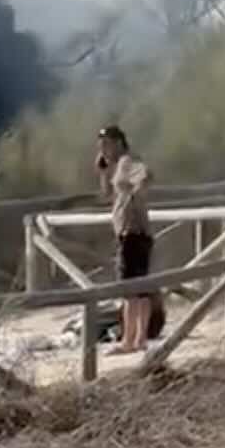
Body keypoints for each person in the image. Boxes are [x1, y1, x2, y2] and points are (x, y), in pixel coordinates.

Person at [95, 124, 159, 352]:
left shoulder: (128, 162)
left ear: (118, 143)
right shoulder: (119, 166)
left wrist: (134, 197)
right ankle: (138, 339)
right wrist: (104, 172)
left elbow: (146, 176)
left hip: (132, 232)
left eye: (106, 145)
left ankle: (130, 340)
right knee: (139, 289)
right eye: (101, 146)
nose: (103, 150)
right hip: (134, 232)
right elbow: (107, 195)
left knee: (129, 289)